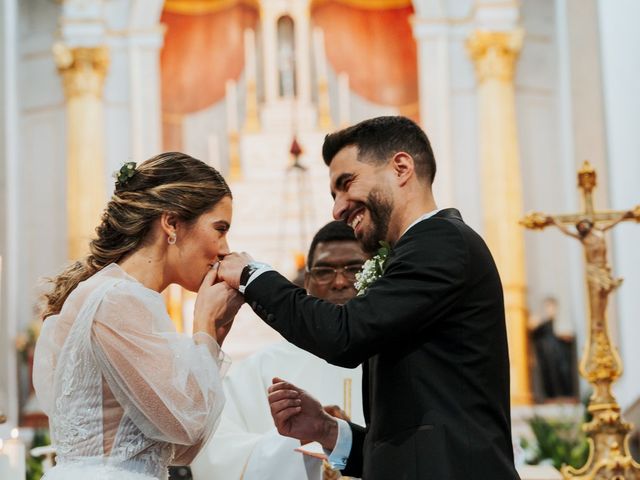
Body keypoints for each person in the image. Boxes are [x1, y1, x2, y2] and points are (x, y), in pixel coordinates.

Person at [218, 116, 519, 479]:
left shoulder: (441, 242)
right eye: (334, 195)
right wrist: (326, 429)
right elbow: (408, 437)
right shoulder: (418, 252)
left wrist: (252, 276)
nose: (338, 209)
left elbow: (344, 335)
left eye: (347, 184)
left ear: (401, 168)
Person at [33, 153, 243, 480]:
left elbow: (182, 449)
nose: (225, 249)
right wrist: (203, 326)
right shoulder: (117, 300)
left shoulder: (121, 297)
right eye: (220, 229)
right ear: (171, 224)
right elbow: (186, 425)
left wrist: (214, 333)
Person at [191, 221, 367, 480]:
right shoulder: (262, 367)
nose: (340, 281)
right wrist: (301, 440)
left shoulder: (395, 357)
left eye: (354, 269)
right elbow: (216, 451)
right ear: (306, 282)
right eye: (325, 271)